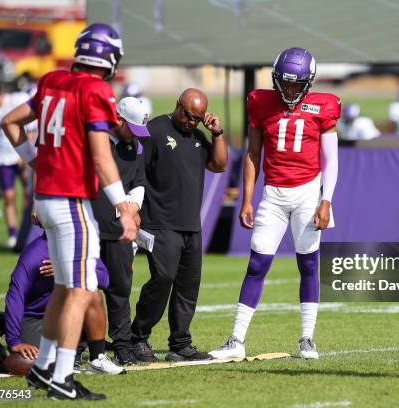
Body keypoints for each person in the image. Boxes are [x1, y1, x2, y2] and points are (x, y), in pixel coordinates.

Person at [1, 23, 138, 400]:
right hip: (70, 202)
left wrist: (35, 164)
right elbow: (100, 154)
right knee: (82, 288)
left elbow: (9, 122)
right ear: (109, 58)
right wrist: (123, 206)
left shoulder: (50, 81)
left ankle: (45, 369)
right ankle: (62, 376)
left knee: (64, 287)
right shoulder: (95, 90)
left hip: (44, 199)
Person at [209, 47, 340, 360]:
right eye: (286, 83)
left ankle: (307, 339)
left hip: (308, 192)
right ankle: (236, 340)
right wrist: (246, 199)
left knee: (308, 264)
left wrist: (326, 200)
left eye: (298, 84)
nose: (291, 90)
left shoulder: (324, 105)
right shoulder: (260, 101)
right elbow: (253, 154)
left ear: (308, 82)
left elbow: (331, 159)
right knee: (257, 264)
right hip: (273, 195)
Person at [131, 88, 227, 363]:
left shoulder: (197, 135)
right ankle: (138, 338)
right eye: (187, 114)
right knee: (162, 280)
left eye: (197, 118)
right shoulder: (154, 131)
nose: (190, 121)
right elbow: (137, 171)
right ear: (178, 105)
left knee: (188, 285)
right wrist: (133, 210)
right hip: (159, 222)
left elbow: (219, 165)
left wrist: (216, 133)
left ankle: (180, 343)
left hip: (190, 224)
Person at [4, 232, 125, 375]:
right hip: (36, 319)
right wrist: (14, 341)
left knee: (93, 295)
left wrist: (69, 271)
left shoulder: (82, 244)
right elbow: (15, 295)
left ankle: (97, 359)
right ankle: (69, 350)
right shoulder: (35, 252)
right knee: (31, 363)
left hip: (70, 315)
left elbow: (104, 279)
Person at [91, 96, 148, 365]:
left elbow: (138, 182)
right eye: (132, 128)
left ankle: (122, 344)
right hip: (89, 224)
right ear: (119, 120)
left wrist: (132, 208)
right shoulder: (95, 141)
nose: (136, 136)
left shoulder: (136, 147)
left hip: (119, 229)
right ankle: (83, 345)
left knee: (120, 288)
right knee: (84, 289)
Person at [0, 83, 36, 248]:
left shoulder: (17, 100)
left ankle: (27, 232)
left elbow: (30, 130)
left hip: (21, 157)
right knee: (8, 197)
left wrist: (27, 156)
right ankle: (12, 234)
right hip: (2, 159)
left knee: (28, 194)